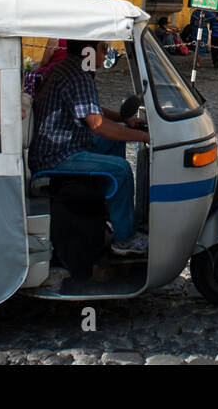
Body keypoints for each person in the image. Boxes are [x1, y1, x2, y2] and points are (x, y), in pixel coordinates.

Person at [29, 39, 150, 256]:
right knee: (120, 170)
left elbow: (89, 107)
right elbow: (97, 124)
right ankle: (124, 239)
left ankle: (108, 211)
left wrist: (124, 119)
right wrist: (143, 136)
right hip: (58, 154)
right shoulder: (77, 75)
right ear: (88, 52)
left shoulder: (68, 67)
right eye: (103, 49)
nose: (105, 56)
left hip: (60, 144)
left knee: (114, 140)